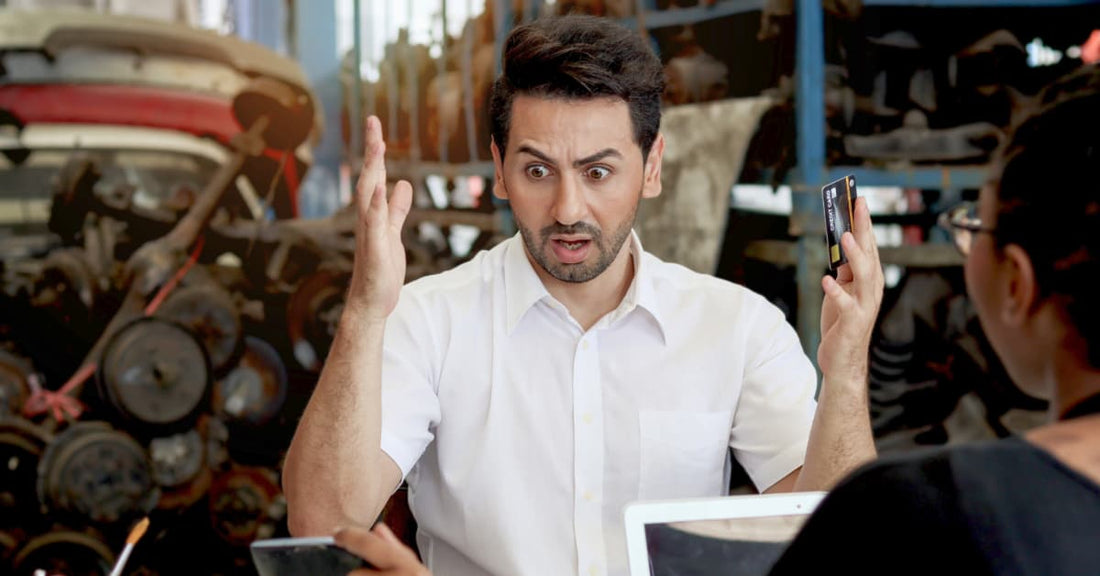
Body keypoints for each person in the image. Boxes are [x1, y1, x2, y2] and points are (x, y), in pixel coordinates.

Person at [283, 14, 883, 576]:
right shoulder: (430, 320)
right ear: (498, 168)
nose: (568, 210)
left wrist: (848, 364)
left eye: (598, 172)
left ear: (651, 168)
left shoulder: (738, 327)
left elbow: (834, 534)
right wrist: (364, 309)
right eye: (538, 171)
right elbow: (322, 522)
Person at [766, 63, 1100, 576]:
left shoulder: (937, 512)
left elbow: (858, 549)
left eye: (974, 226)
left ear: (1017, 283)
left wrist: (848, 370)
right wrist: (848, 366)